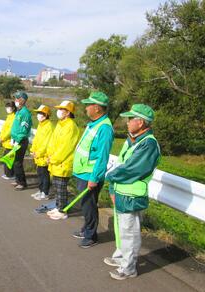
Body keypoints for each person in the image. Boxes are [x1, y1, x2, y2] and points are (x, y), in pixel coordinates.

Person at [104, 104, 160, 280]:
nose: (127, 123)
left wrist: (109, 176)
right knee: (123, 230)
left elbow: (131, 169)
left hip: (132, 196)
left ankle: (128, 268)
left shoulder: (148, 144)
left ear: (141, 122)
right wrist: (113, 186)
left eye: (130, 119)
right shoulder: (133, 139)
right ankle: (121, 258)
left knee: (130, 233)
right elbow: (121, 163)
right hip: (122, 192)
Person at [72, 91, 114, 248]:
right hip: (83, 172)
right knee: (86, 204)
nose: (86, 108)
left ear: (97, 108)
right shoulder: (94, 124)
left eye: (88, 105)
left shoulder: (104, 128)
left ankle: (91, 235)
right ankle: (86, 229)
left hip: (90, 174)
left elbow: (103, 157)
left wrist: (94, 178)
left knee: (89, 205)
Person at [46, 101, 80, 220]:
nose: (59, 111)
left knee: (61, 188)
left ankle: (62, 210)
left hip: (63, 163)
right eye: (59, 109)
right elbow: (53, 142)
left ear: (68, 112)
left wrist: (53, 158)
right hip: (55, 162)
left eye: (62, 109)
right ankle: (58, 206)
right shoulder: (61, 124)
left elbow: (65, 148)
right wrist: (49, 155)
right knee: (56, 186)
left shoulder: (70, 126)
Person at [30, 105, 54, 200]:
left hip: (44, 155)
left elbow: (46, 143)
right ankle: (40, 191)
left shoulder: (49, 126)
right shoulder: (41, 125)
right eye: (38, 113)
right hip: (38, 155)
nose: (38, 115)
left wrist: (39, 153)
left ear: (45, 115)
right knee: (40, 173)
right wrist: (33, 150)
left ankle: (45, 193)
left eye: (40, 113)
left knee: (44, 174)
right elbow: (36, 140)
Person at [10, 91, 32, 191]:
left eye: (17, 99)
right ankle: (18, 180)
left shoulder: (25, 113)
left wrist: (17, 140)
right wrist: (13, 139)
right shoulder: (19, 111)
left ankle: (22, 183)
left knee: (18, 162)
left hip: (21, 140)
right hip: (16, 140)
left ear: (22, 100)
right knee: (15, 161)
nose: (15, 100)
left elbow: (24, 130)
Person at [0, 101, 16, 180]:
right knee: (7, 158)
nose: (7, 109)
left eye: (9, 107)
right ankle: (7, 174)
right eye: (7, 107)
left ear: (13, 108)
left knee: (9, 159)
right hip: (6, 141)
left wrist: (3, 137)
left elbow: (10, 130)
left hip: (10, 141)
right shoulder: (9, 116)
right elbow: (5, 128)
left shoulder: (13, 117)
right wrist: (1, 136)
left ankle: (10, 175)